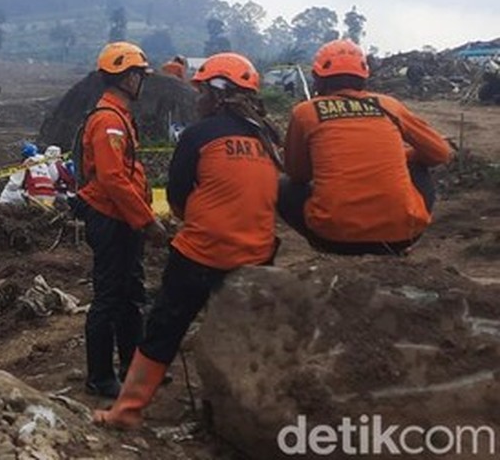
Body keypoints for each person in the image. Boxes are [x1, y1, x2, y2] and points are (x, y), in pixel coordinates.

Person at [94, 52, 282, 428]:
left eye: (200, 92)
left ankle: (127, 411)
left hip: (202, 253)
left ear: (216, 94)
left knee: (164, 327)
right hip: (257, 257)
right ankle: (238, 414)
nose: (196, 98)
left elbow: (178, 197)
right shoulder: (266, 137)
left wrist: (185, 220)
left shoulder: (197, 135)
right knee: (240, 333)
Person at [278, 40, 453, 255]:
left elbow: (298, 174)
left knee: (284, 187)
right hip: (402, 235)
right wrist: (404, 156)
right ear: (364, 76)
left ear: (317, 78)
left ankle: (324, 246)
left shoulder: (305, 112)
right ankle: (398, 235)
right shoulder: (389, 105)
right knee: (419, 165)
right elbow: (440, 153)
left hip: (335, 238)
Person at [73, 42, 169, 399]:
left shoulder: (118, 117)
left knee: (131, 293)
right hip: (111, 219)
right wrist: (147, 221)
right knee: (110, 297)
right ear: (128, 78)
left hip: (121, 218)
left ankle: (133, 367)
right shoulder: (109, 121)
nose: (142, 82)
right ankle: (100, 376)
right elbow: (113, 179)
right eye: (139, 75)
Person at [0, 142, 57, 208]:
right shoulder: (44, 163)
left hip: (35, 195)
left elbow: (14, 184)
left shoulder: (26, 164)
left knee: (8, 193)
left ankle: (2, 208)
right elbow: (53, 178)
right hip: (51, 196)